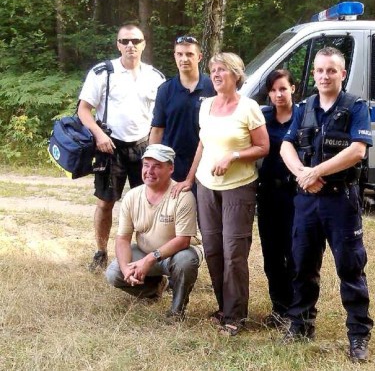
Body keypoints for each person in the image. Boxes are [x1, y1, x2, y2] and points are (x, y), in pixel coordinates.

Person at [280, 47, 374, 362]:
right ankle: (301, 324)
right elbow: (286, 147)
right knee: (303, 264)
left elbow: (357, 151)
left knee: (350, 267)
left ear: (342, 74)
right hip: (307, 200)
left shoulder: (356, 107)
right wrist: (304, 176)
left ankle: (358, 335)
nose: (324, 76)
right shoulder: (304, 107)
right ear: (314, 73)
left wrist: (316, 172)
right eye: (320, 70)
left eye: (331, 70)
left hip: (340, 200)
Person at [186, 52, 269, 336]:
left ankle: (235, 316)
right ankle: (224, 307)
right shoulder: (206, 105)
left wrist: (233, 155)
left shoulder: (249, 107)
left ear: (236, 74)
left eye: (222, 70)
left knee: (234, 252)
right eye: (213, 70)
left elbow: (263, 147)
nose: (216, 75)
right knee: (212, 250)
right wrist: (189, 178)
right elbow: (202, 144)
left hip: (239, 189)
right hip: (206, 187)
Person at [78, 24, 165, 272]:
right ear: (117, 44)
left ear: (144, 44)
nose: (130, 45)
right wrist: (98, 135)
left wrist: (156, 145)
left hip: (144, 148)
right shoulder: (103, 72)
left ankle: (147, 253)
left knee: (148, 204)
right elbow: (83, 109)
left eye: (135, 41)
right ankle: (101, 251)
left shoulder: (155, 77)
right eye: (125, 41)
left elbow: (163, 115)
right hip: (109, 147)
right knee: (106, 202)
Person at [105, 144, 202, 321]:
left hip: (176, 253)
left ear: (170, 168)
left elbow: (183, 241)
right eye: (146, 165)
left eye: (157, 166)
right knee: (114, 272)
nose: (150, 171)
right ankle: (153, 289)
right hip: (144, 251)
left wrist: (149, 260)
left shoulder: (183, 195)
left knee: (185, 261)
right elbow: (123, 239)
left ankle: (177, 310)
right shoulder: (132, 196)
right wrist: (127, 268)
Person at [257, 70, 299, 328]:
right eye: (273, 90)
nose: (278, 95)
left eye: (283, 88)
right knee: (271, 254)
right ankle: (278, 308)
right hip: (268, 194)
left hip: (296, 194)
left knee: (295, 252)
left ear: (293, 88)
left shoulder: (304, 117)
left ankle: (298, 308)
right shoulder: (263, 118)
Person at [149, 35, 216, 194]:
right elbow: (157, 129)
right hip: (172, 162)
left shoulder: (212, 87)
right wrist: (152, 160)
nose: (184, 59)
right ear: (174, 56)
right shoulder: (165, 89)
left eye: (189, 54)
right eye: (179, 54)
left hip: (205, 161)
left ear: (199, 57)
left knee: (204, 215)